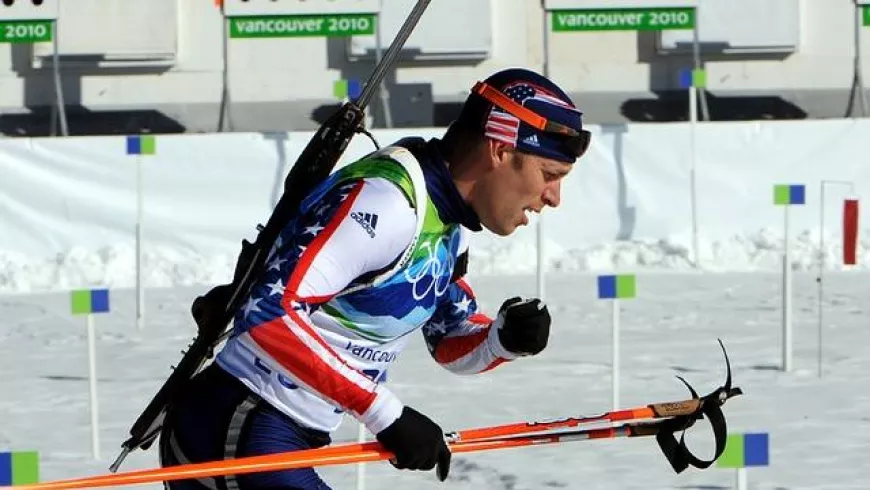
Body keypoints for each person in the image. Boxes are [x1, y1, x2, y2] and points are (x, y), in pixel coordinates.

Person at [158, 67, 592, 490]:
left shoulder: (448, 224)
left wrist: (504, 339)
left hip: (280, 433)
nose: (553, 197)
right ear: (499, 150)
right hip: (237, 423)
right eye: (549, 175)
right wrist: (386, 414)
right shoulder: (387, 204)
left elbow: (448, 342)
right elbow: (270, 312)